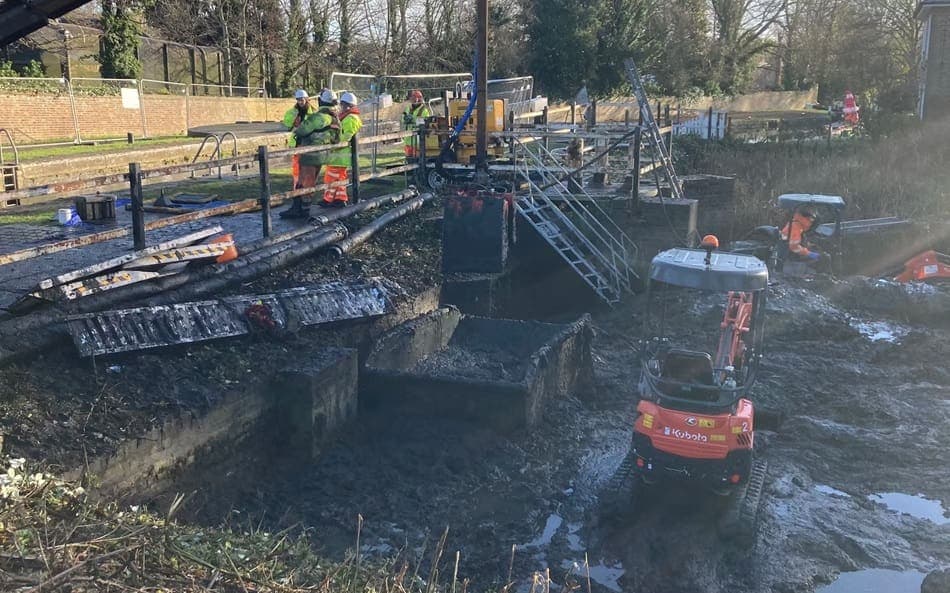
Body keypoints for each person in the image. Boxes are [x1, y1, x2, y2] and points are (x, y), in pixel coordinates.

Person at [280, 89, 340, 219]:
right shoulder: (335, 118)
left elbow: (302, 130)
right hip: (323, 153)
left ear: (321, 101)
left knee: (304, 181)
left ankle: (300, 209)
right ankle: (302, 207)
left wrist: (299, 129)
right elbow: (337, 138)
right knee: (310, 180)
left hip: (310, 153)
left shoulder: (319, 117)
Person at [322, 91, 363, 207]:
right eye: (342, 104)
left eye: (344, 104)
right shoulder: (346, 116)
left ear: (350, 105)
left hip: (340, 155)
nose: (342, 106)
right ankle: (339, 199)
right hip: (338, 155)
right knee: (339, 178)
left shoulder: (351, 118)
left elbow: (345, 136)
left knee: (330, 178)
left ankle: (328, 199)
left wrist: (332, 142)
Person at [283, 89, 315, 190]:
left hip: (308, 144)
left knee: (308, 170)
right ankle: (297, 190)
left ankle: (307, 192)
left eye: (302, 100)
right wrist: (293, 120)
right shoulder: (292, 112)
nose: (300, 102)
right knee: (297, 170)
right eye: (298, 100)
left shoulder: (313, 112)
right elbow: (287, 124)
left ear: (306, 99)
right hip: (297, 143)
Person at [402, 89, 431, 159]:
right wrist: (405, 119)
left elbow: (425, 122)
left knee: (418, 159)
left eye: (416, 97)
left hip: (418, 140)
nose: (414, 99)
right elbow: (403, 119)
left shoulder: (424, 110)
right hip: (408, 139)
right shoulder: (408, 108)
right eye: (413, 97)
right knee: (409, 159)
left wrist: (412, 120)